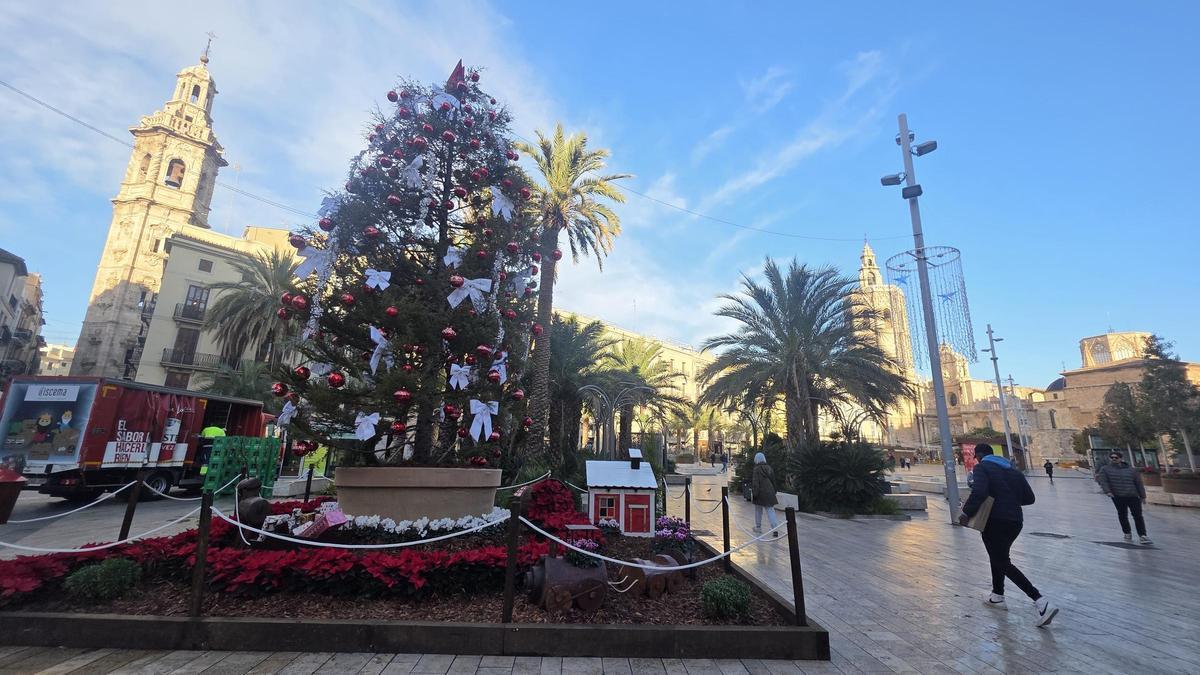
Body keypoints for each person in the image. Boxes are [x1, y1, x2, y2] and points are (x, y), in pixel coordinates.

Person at [959, 443, 1058, 627]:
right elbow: (1029, 498)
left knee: (1002, 561)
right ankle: (997, 596)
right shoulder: (1013, 471)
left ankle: (1041, 601)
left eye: (976, 457)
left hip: (993, 520)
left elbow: (979, 492)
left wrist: (967, 512)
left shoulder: (982, 468)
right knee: (999, 557)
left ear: (979, 455)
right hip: (1015, 521)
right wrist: (1009, 499)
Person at [1096, 452, 1151, 545]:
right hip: (1118, 496)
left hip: (1133, 496)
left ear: (1121, 458)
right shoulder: (1105, 469)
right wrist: (1108, 491)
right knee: (1122, 515)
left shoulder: (1131, 470)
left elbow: (1138, 483)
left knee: (1138, 515)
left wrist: (1143, 496)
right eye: (1112, 457)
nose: (1114, 459)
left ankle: (1142, 535)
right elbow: (1103, 481)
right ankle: (1127, 532)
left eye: (1116, 457)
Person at [750, 452, 780, 535]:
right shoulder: (769, 468)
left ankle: (758, 527)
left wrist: (754, 493)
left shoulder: (756, 469)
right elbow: (773, 480)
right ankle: (775, 529)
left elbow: (755, 482)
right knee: (770, 510)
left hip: (760, 492)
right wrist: (774, 490)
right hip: (769, 490)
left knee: (758, 510)